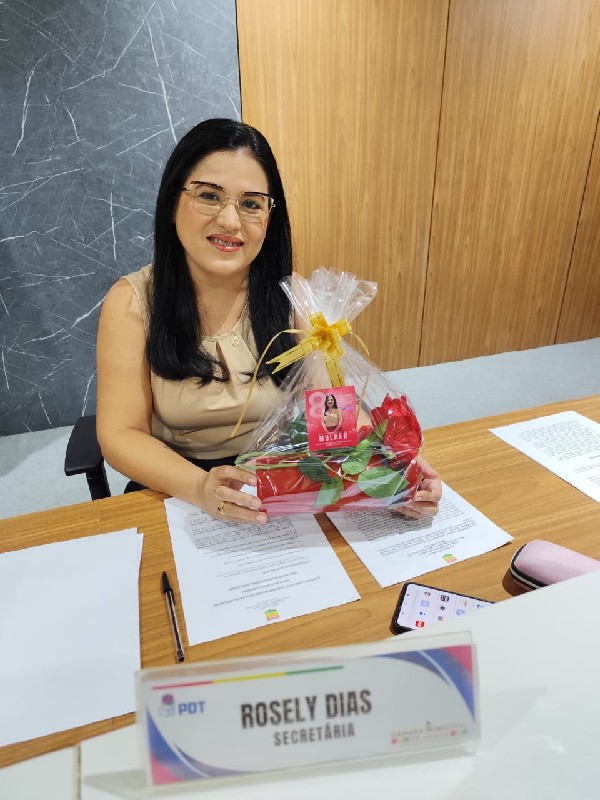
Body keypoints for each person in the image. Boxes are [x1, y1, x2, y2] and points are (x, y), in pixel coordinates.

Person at [97, 118, 441, 524]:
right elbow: (121, 434)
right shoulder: (132, 302)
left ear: (269, 216)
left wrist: (390, 471)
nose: (230, 221)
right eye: (209, 195)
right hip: (177, 485)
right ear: (173, 203)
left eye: (251, 203)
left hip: (281, 482)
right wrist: (201, 488)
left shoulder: (293, 295)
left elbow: (330, 409)